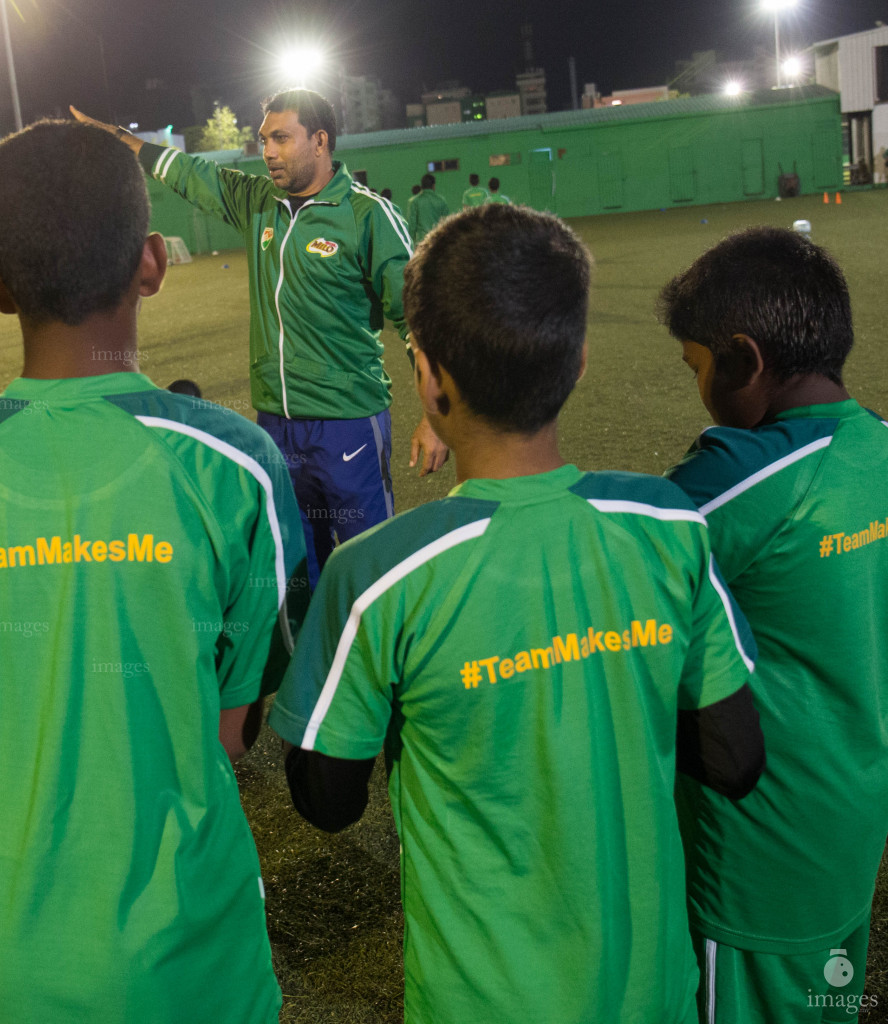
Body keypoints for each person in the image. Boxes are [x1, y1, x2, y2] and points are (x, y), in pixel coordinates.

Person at [268, 203, 765, 1024]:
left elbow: (329, 801)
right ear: (575, 362)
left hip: (481, 1001)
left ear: (428, 377)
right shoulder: (669, 527)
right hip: (653, 992)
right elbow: (736, 758)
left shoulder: (377, 574)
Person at [0, 119, 306, 1024]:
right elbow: (235, 730)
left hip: (14, 959)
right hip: (193, 951)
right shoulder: (232, 463)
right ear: (152, 261)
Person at [72, 89, 448, 588]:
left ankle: (382, 664)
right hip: (276, 427)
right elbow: (192, 174)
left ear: (319, 141)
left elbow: (416, 316)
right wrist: (123, 141)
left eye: (280, 138)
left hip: (349, 425)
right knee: (295, 570)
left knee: (370, 568)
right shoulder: (258, 204)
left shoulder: (365, 216)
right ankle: (310, 664)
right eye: (263, 139)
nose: (267, 151)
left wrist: (436, 415)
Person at [659, 227, 888, 1024]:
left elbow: (612, 554)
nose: (699, 387)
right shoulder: (880, 448)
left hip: (757, 856)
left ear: (746, 360)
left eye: (697, 367)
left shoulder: (740, 480)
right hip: (853, 826)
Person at [406, 172, 450, 243]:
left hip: (421, 241)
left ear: (422, 186)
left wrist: (409, 242)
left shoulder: (415, 201)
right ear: (433, 185)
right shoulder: (441, 200)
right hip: (438, 240)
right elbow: (446, 223)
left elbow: (412, 225)